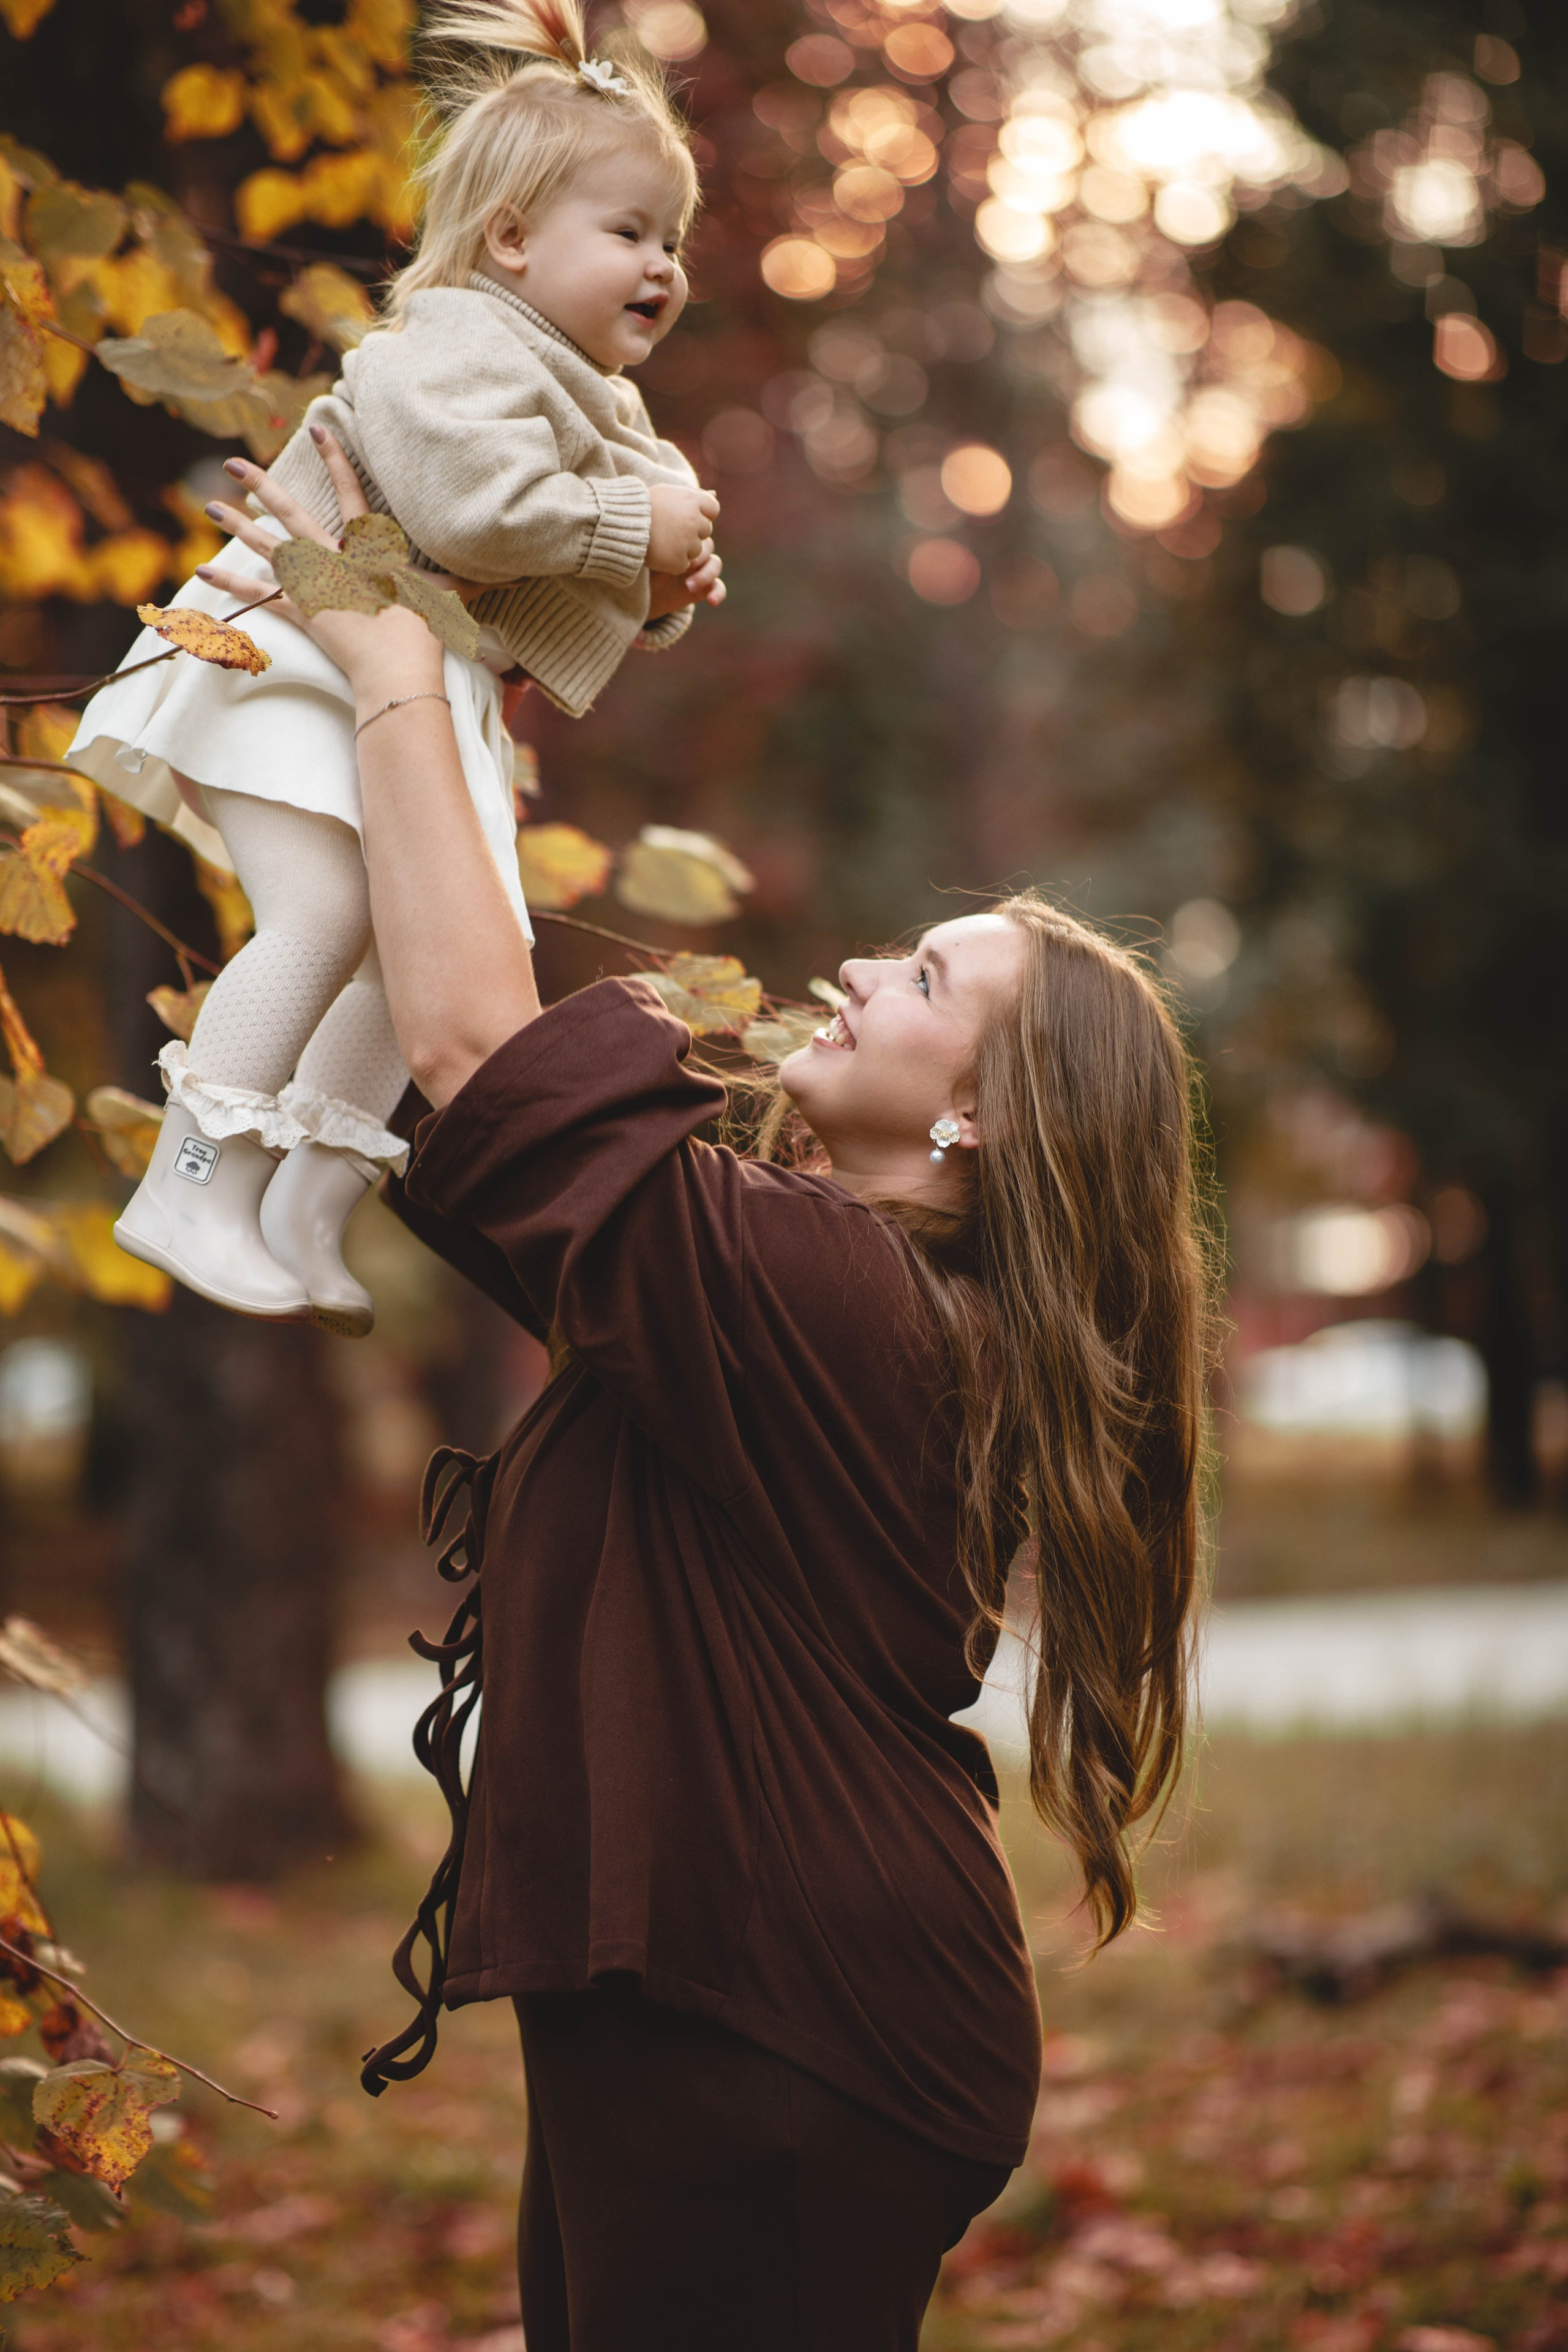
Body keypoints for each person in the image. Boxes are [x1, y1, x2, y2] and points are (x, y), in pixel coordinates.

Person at [194, 437, 1213, 2352]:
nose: (851, 967)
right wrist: (458, 650)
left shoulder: (841, 1299)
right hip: (741, 2006)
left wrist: (391, 645)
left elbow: (477, 1046)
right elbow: (463, 1074)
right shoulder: (788, 1284)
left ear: (981, 1114)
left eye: (920, 976)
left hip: (782, 2032)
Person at [70, 0, 720, 1337]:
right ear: (511, 240)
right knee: (320, 915)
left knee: (421, 952)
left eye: (673, 239)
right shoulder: (455, 342)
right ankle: (189, 1183)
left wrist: (656, 580)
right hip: (295, 646)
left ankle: (308, 1200)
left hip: (393, 678)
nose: (662, 265)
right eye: (630, 233)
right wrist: (625, 526)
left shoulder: (594, 392)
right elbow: (482, 512)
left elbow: (545, 578)